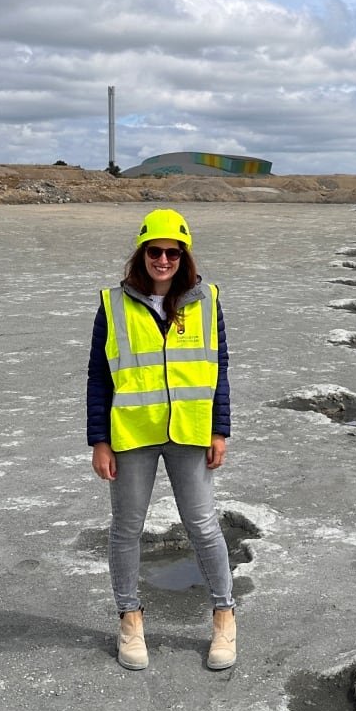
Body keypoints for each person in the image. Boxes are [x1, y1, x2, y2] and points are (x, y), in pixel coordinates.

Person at [87, 208, 236, 671]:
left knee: (203, 526)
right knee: (126, 531)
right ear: (142, 253)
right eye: (156, 251)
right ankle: (130, 619)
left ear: (184, 256)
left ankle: (224, 616)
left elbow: (219, 368)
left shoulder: (207, 300)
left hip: (190, 432)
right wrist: (99, 440)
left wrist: (219, 429)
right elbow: (98, 376)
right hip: (132, 435)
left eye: (173, 252)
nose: (164, 260)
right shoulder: (113, 305)